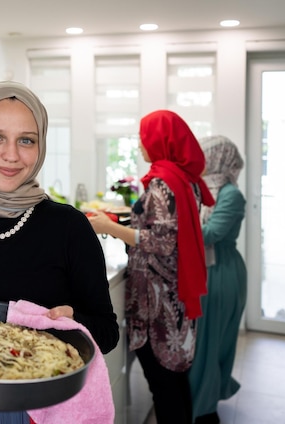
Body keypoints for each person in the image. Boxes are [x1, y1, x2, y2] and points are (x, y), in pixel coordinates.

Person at [0, 81, 119, 423]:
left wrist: (71, 323)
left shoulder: (70, 228)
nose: (11, 155)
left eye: (26, 140)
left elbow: (106, 332)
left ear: (40, 146)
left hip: (43, 408)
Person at [88, 110, 215, 424]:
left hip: (157, 304)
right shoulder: (185, 178)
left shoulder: (162, 183)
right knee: (175, 381)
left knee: (164, 387)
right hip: (176, 295)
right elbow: (170, 228)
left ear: (161, 140)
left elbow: (162, 241)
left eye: (145, 136)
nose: (141, 143)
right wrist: (119, 222)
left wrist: (108, 226)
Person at [188, 136, 247, 424]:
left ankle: (204, 410)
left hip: (221, 272)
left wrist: (174, 224)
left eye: (205, 155)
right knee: (202, 343)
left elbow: (209, 234)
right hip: (205, 270)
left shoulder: (230, 194)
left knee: (211, 342)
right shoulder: (201, 188)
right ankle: (200, 402)